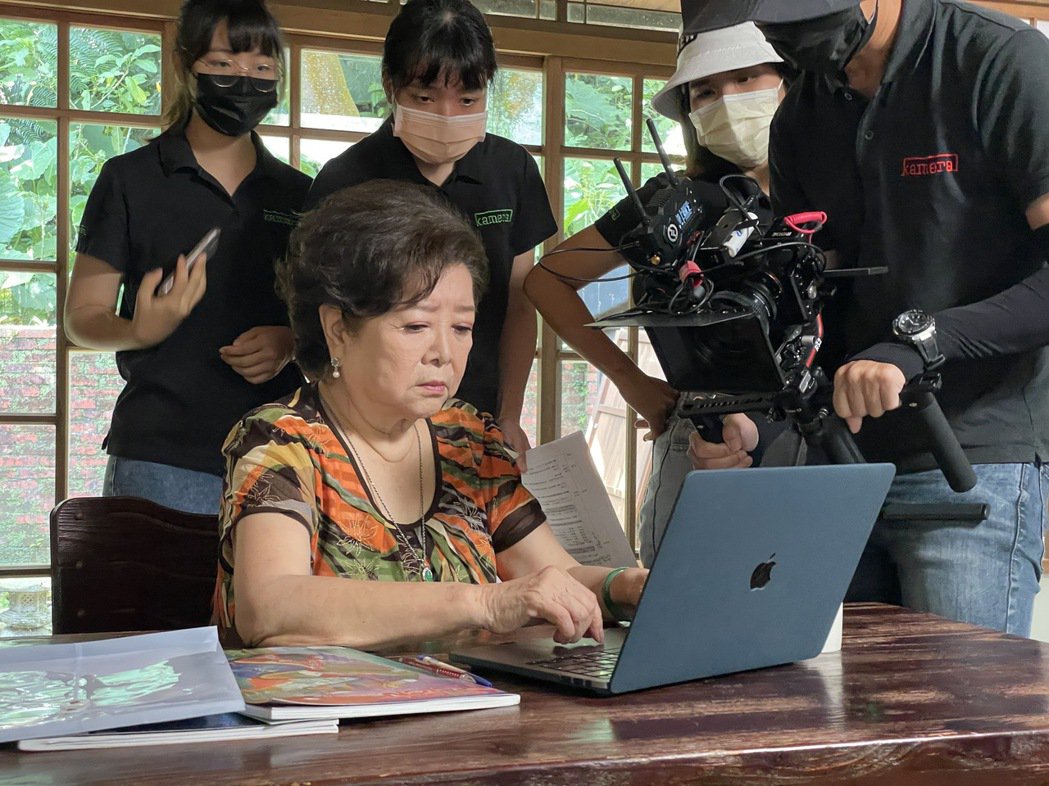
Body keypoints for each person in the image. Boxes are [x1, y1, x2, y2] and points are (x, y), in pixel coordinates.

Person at [681, 0, 1049, 635]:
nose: (793, 40)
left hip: (970, 457)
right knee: (836, 718)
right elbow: (810, 298)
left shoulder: (1000, 60)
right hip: (838, 467)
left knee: (954, 724)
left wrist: (922, 343)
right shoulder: (802, 114)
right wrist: (752, 414)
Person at [213, 180, 647, 649]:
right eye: (416, 325)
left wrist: (624, 588)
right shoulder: (281, 442)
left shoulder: (467, 441)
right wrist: (485, 603)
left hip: (479, 711)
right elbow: (270, 606)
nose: (444, 353)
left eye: (462, 327)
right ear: (338, 329)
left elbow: (553, 575)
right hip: (336, 717)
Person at [524, 23, 787, 565]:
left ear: (786, 81)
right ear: (688, 110)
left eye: (745, 78)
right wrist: (631, 381)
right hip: (700, 438)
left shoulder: (837, 194)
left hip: (809, 441)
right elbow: (547, 278)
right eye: (707, 91)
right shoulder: (671, 202)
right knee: (679, 607)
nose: (729, 101)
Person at [65, 0, 310, 514]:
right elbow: (81, 319)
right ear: (184, 66)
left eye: (262, 69)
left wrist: (291, 341)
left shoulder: (300, 194)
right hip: (160, 454)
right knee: (156, 597)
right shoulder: (129, 179)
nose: (244, 81)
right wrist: (140, 330)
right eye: (223, 64)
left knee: (270, 597)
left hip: (279, 451)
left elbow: (332, 319)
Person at [302, 0, 556, 457]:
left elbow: (520, 306)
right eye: (424, 98)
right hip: (369, 429)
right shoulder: (346, 179)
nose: (446, 115)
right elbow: (322, 316)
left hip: (476, 422)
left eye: (467, 100)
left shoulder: (511, 170)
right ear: (390, 85)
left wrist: (509, 414)